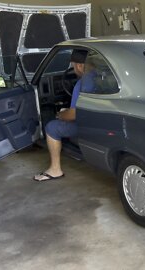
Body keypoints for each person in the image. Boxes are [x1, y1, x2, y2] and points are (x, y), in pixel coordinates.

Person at [33, 49, 95, 181]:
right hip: (102, 122)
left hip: (86, 127)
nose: (74, 69)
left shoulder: (83, 82)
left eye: (73, 65)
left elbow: (74, 115)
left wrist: (60, 115)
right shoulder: (103, 76)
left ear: (79, 65)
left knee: (52, 127)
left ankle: (55, 170)